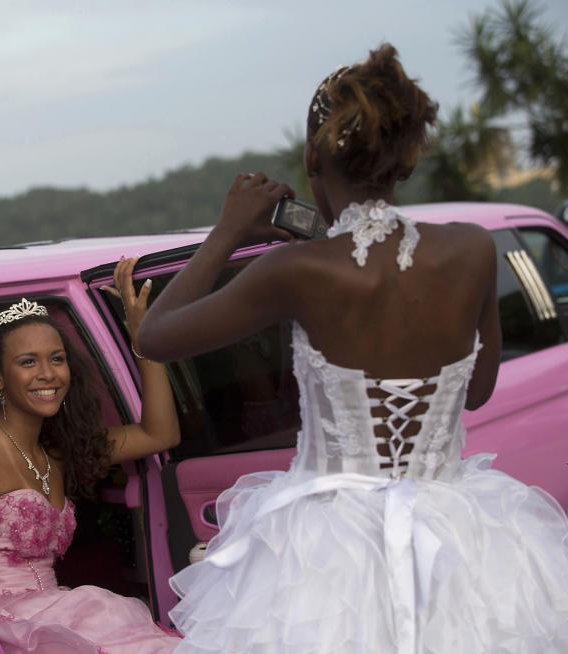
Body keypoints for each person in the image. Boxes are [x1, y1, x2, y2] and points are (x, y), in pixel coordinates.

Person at [137, 44, 568, 653]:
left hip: (325, 555)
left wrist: (230, 230)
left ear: (313, 156)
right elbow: (478, 392)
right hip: (462, 540)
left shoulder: (297, 270)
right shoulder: (473, 250)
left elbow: (153, 336)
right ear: (403, 156)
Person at [0, 257, 181, 653]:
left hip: (60, 610)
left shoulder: (61, 451)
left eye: (56, 359)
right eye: (28, 362)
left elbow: (160, 433)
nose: (48, 374)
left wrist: (143, 342)